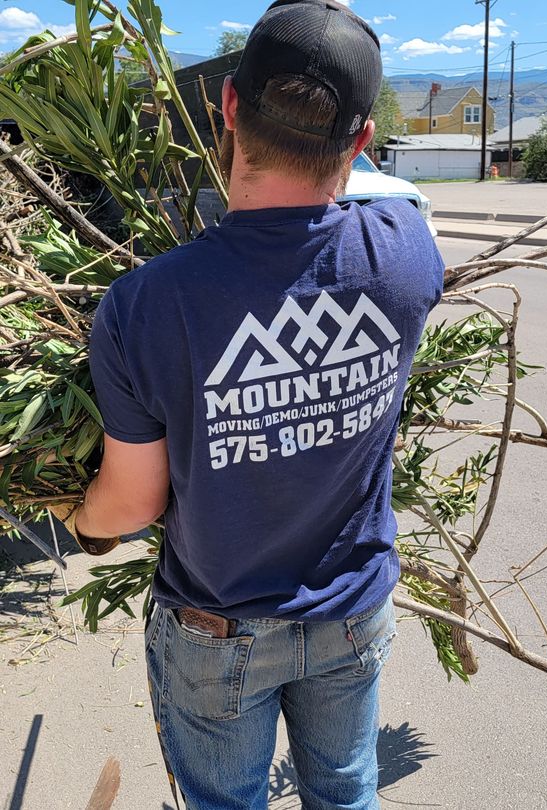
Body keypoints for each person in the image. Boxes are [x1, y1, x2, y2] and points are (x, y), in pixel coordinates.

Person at [62, 1, 445, 807]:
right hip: (352, 612)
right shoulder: (408, 255)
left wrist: (80, 522)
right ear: (364, 140)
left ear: (228, 108)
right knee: (346, 793)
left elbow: (132, 503)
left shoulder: (145, 304)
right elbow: (380, 195)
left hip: (217, 631)